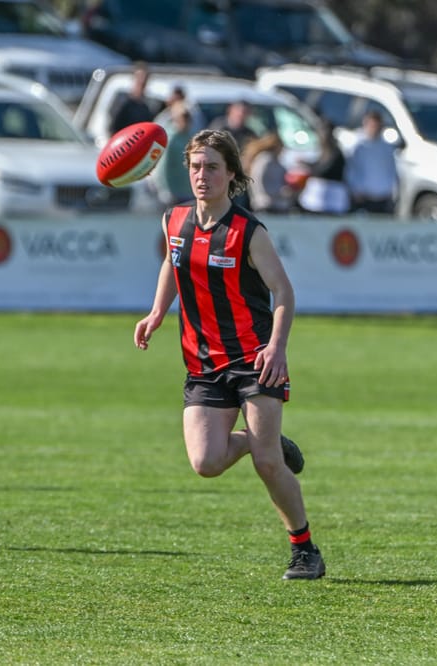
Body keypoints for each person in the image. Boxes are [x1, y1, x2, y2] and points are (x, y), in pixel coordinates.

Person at [133, 129, 325, 581]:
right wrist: (158, 311)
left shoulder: (248, 231)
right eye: (196, 166)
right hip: (202, 362)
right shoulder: (174, 220)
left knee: (266, 464)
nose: (203, 176)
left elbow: (283, 292)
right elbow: (171, 260)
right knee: (205, 463)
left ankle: (305, 550)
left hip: (254, 358)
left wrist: (277, 347)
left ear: (231, 174)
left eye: (213, 168)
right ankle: (263, 439)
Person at [344, 110, 398, 215]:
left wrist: (393, 192)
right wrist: (355, 190)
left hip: (383, 198)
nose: (374, 129)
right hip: (364, 198)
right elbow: (351, 170)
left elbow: (392, 171)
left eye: (377, 126)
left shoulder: (387, 148)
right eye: (372, 126)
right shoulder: (358, 147)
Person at [297, 121, 349, 215]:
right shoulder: (324, 150)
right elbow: (319, 164)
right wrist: (307, 163)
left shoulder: (336, 152)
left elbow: (326, 170)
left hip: (332, 195)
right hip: (320, 197)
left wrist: (311, 169)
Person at [150, 101, 194, 206]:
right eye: (183, 118)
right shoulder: (169, 138)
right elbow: (161, 167)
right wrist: (164, 190)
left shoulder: (190, 136)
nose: (186, 121)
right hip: (173, 194)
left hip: (188, 192)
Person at [242, 132, 296, 213]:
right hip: (266, 204)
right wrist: (279, 192)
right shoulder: (266, 160)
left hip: (273, 203)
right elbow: (259, 180)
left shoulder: (274, 161)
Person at [108, 62, 160, 135]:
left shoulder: (145, 109)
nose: (142, 81)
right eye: (139, 77)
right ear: (134, 78)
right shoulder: (122, 102)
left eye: (144, 78)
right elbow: (113, 125)